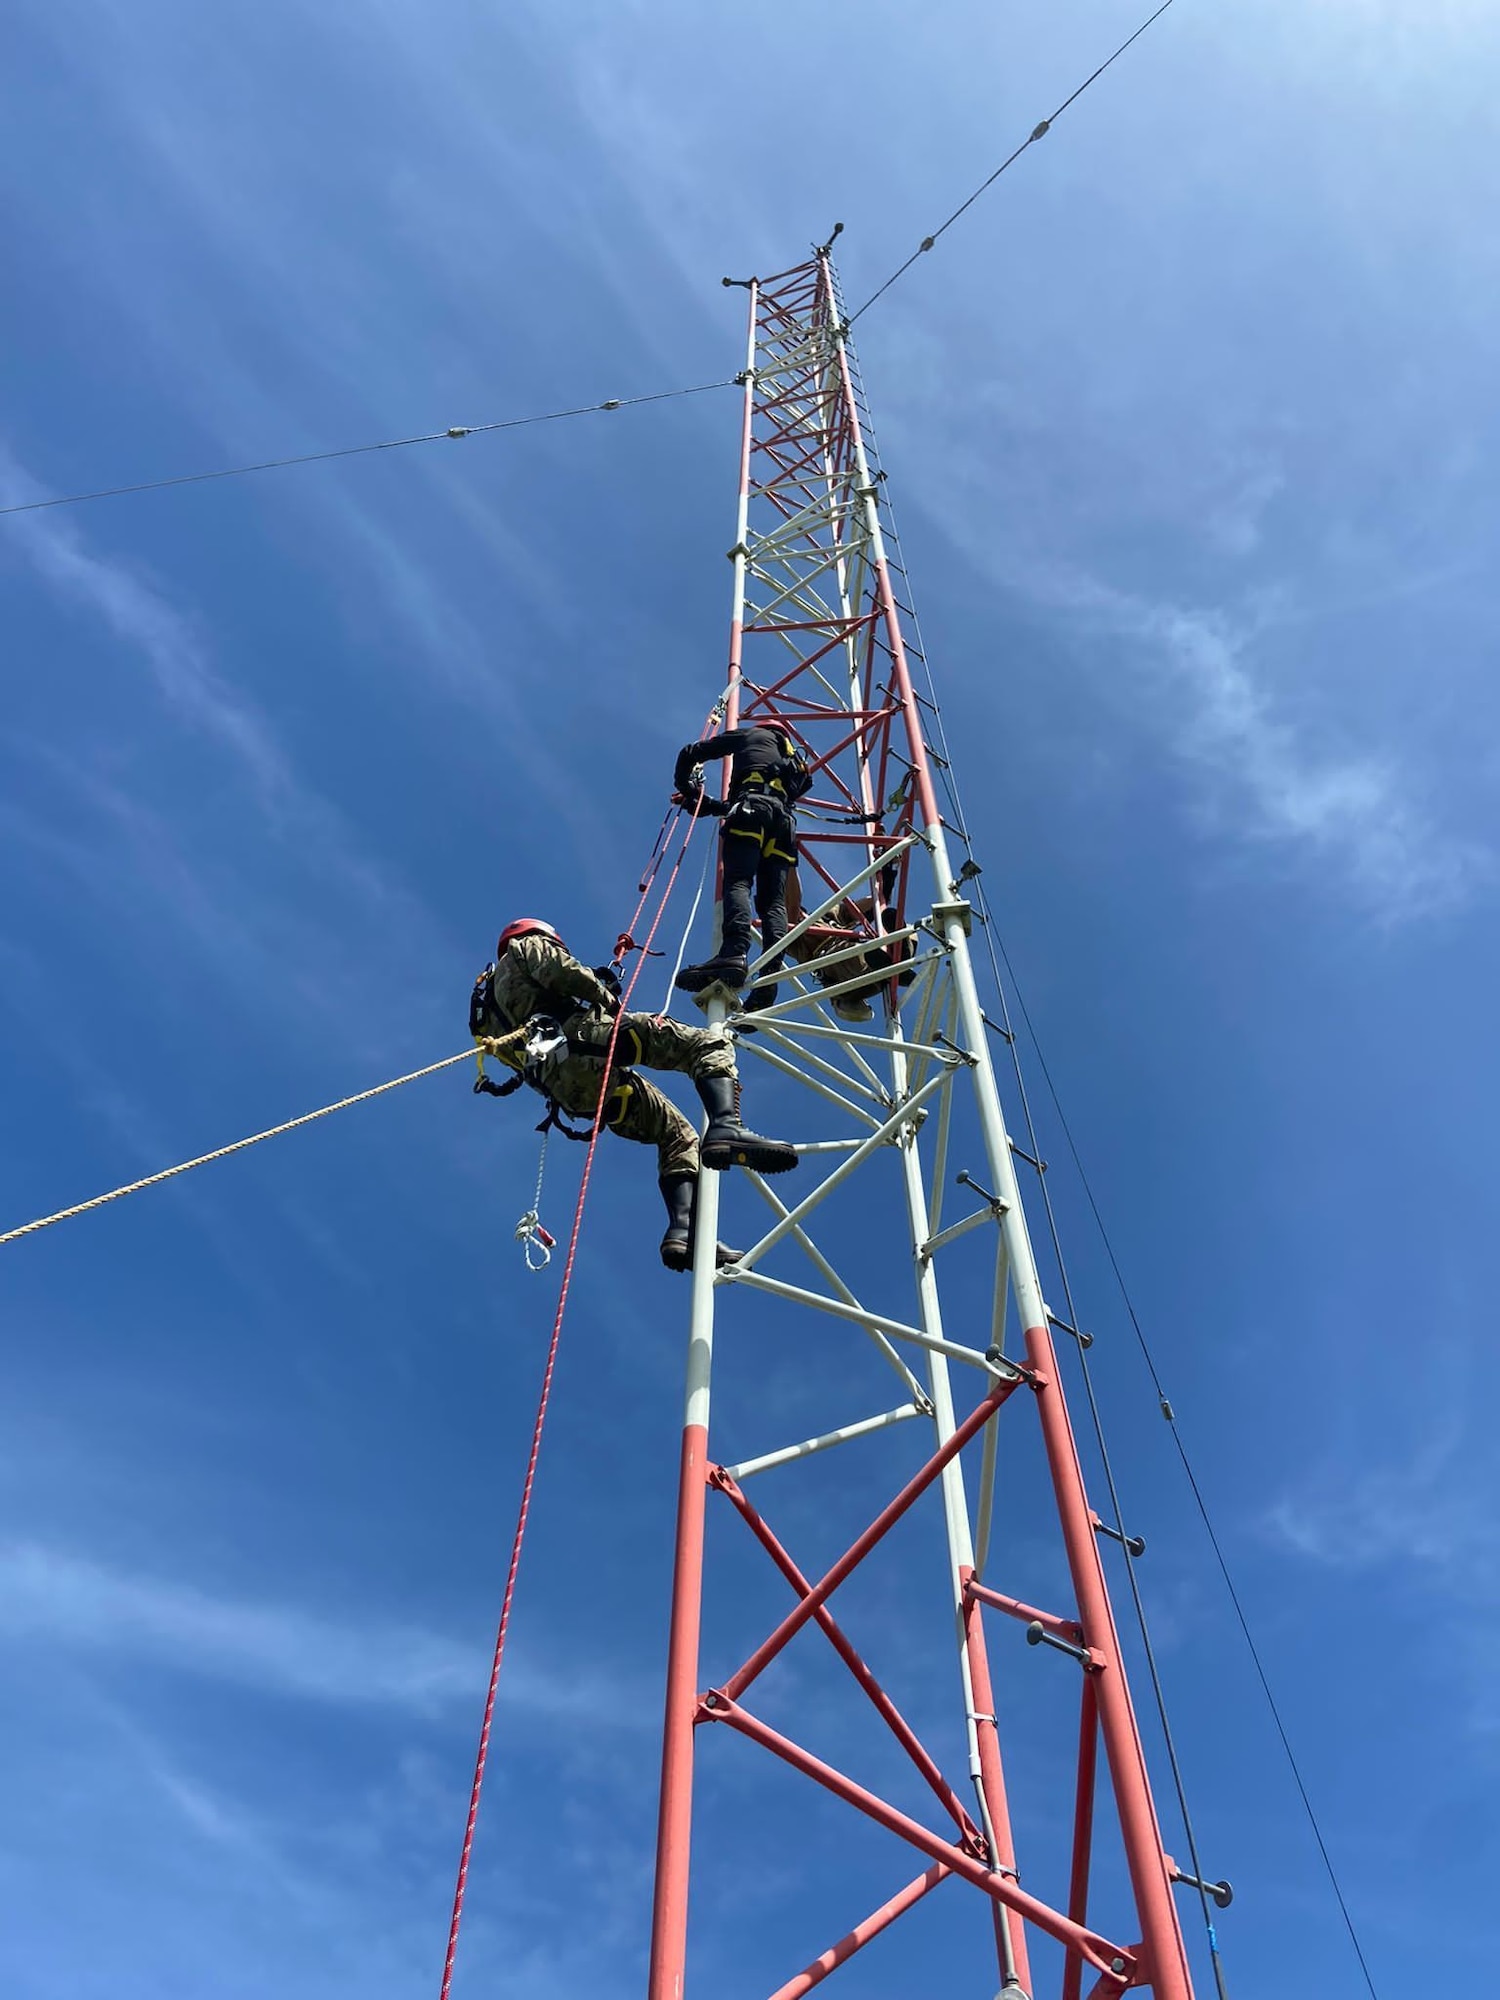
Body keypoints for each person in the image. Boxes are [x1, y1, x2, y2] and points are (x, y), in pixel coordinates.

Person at [470, 919, 798, 1272]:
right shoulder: (525, 948)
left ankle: (684, 1232)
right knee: (706, 1045)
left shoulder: (484, 1012)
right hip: (585, 1041)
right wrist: (603, 993)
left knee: (676, 1133)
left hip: (571, 1091)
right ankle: (725, 1126)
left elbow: (514, 1058)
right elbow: (560, 971)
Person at [671, 721, 811, 1012]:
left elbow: (691, 753)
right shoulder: (793, 761)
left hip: (752, 810)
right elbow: (753, 798)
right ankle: (770, 975)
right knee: (773, 901)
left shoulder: (750, 735)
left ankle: (733, 952)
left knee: (738, 882)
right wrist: (705, 803)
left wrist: (685, 786)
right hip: (783, 824)